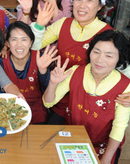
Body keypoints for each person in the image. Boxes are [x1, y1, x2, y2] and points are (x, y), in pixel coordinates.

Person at [29, 0, 124, 124]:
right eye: (78, 0)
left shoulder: (108, 34)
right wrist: (40, 25)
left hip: (90, 100)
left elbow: (125, 68)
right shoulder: (63, 24)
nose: (82, 6)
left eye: (89, 1)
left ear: (100, 6)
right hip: (58, 95)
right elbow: (34, 45)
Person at [43, 30, 130, 163]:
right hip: (72, 136)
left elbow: (119, 127)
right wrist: (53, 83)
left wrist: (106, 159)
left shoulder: (125, 86)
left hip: (102, 145)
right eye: (96, 52)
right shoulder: (75, 71)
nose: (100, 59)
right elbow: (48, 102)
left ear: (119, 59)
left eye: (109, 56)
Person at [0, 21, 58, 124]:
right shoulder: (1, 60)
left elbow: (46, 90)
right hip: (10, 111)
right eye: (14, 39)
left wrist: (43, 71)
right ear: (7, 43)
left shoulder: (40, 58)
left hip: (37, 111)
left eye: (24, 39)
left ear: (31, 42)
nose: (19, 45)